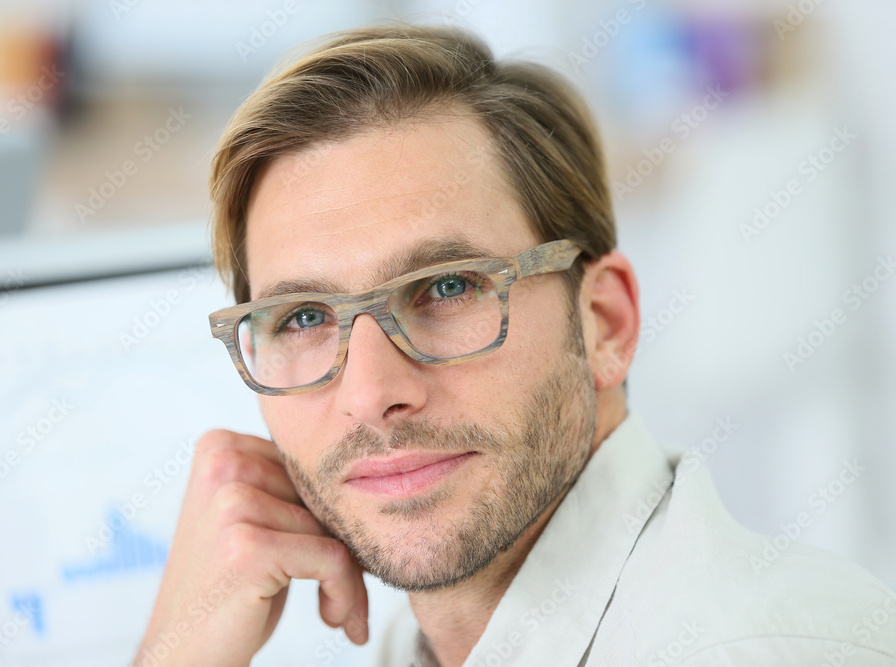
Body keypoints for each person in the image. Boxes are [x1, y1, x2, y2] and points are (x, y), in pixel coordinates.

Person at [135, 23, 896, 667]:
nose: (370, 392)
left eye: (447, 287)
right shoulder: (427, 641)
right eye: (303, 317)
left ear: (605, 324)